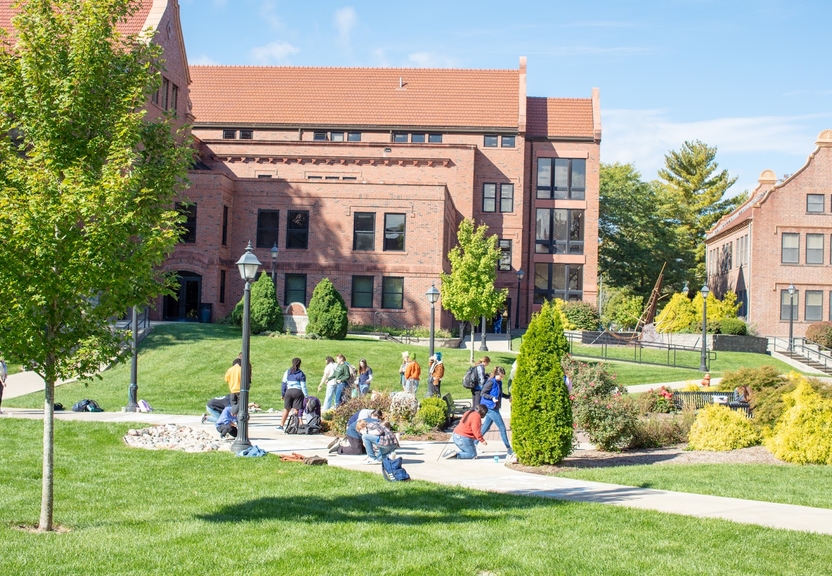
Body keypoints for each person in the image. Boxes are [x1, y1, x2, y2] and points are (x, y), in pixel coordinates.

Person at [479, 366, 514, 459]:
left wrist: (507, 397)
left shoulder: (499, 382)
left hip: (494, 407)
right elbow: (483, 393)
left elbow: (500, 394)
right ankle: (509, 449)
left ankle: (473, 444)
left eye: (503, 377)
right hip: (490, 407)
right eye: (501, 376)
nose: (502, 378)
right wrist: (492, 398)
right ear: (496, 374)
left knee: (486, 427)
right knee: (502, 428)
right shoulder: (491, 382)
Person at [277, 357, 308, 431]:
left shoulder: (288, 372)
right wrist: (306, 396)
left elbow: (284, 383)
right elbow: (303, 386)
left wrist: (283, 393)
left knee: (286, 410)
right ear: (300, 364)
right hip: (298, 392)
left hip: (289, 392)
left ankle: (281, 425)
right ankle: (295, 426)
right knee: (296, 410)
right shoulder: (301, 373)